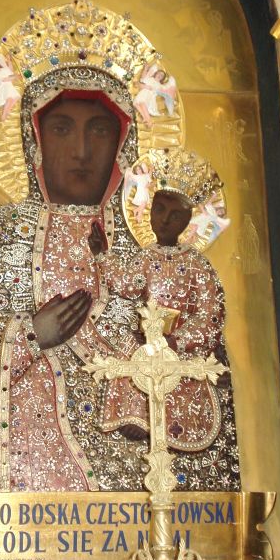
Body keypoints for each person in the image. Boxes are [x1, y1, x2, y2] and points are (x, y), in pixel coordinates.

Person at [0, 65, 152, 493]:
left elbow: (196, 365)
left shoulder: (150, 256)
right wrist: (28, 335)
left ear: (123, 145)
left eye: (99, 131)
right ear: (35, 142)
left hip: (135, 492)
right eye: (62, 129)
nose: (81, 151)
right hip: (16, 485)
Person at [88, 167, 241, 491]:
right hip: (149, 339)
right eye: (159, 209)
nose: (165, 220)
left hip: (181, 346)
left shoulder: (197, 265)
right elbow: (128, 284)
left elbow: (211, 313)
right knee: (129, 358)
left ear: (189, 220)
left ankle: (170, 427)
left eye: (176, 215)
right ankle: (136, 418)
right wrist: (102, 255)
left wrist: (178, 339)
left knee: (181, 379)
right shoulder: (147, 257)